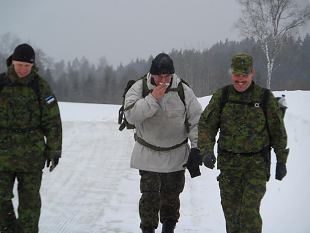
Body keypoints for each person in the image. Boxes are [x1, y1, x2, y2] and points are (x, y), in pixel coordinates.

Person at [198, 52, 289, 233]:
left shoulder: (264, 98)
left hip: (256, 165)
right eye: (237, 77)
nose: (240, 81)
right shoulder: (222, 96)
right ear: (232, 73)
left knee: (249, 214)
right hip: (229, 166)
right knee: (232, 215)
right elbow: (206, 126)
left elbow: (278, 132)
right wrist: (206, 151)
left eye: (244, 77)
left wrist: (281, 161)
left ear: (252, 73)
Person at [124, 53, 202, 233]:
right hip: (148, 155)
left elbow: (196, 120)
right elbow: (131, 115)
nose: (164, 80)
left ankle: (169, 229)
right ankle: (148, 230)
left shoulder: (183, 90)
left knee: (172, 197)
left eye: (168, 76)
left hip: (176, 156)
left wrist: (197, 148)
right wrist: (153, 98)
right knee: (149, 198)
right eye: (160, 76)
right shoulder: (139, 87)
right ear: (152, 74)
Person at [0, 43, 62, 233]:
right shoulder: (1, 83)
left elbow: (52, 121)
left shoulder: (40, 86)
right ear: (12, 62)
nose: (22, 69)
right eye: (19, 65)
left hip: (32, 157)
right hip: (2, 155)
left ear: (33, 66)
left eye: (27, 66)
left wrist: (54, 149)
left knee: (30, 203)